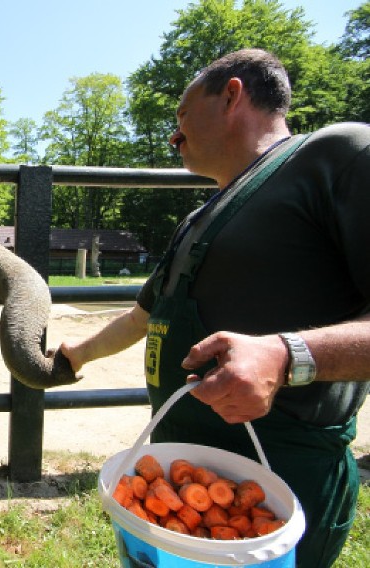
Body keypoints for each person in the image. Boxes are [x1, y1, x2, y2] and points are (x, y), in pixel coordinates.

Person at [56, 49, 370, 567]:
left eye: (181, 116)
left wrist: (289, 356)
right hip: (179, 488)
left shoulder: (338, 154)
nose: (172, 137)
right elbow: (143, 317)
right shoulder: (201, 217)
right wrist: (76, 356)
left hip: (277, 485)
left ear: (232, 94)